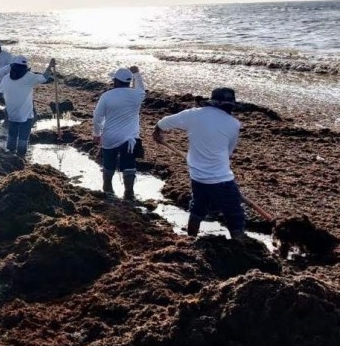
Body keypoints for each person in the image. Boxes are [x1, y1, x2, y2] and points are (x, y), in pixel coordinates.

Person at [152, 87, 245, 239]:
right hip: (222, 179)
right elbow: (228, 153)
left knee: (197, 209)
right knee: (235, 215)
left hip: (198, 177)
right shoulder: (234, 124)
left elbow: (163, 123)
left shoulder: (193, 114)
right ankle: (240, 244)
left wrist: (157, 132)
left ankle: (190, 239)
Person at [92, 67, 146, 200]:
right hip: (129, 138)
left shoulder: (107, 96)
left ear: (116, 81)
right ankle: (129, 192)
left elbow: (98, 117)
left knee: (109, 163)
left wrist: (97, 133)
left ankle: (107, 188)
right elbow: (141, 88)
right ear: (129, 82)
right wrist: (137, 74)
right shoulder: (137, 95)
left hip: (110, 136)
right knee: (129, 164)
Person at [0, 56, 55, 156]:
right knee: (23, 136)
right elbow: (44, 78)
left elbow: (0, 93)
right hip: (26, 114)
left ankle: (10, 153)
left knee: (12, 133)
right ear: (25, 67)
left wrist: (10, 101)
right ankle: (21, 155)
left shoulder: (6, 78)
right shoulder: (29, 76)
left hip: (11, 112)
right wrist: (49, 67)